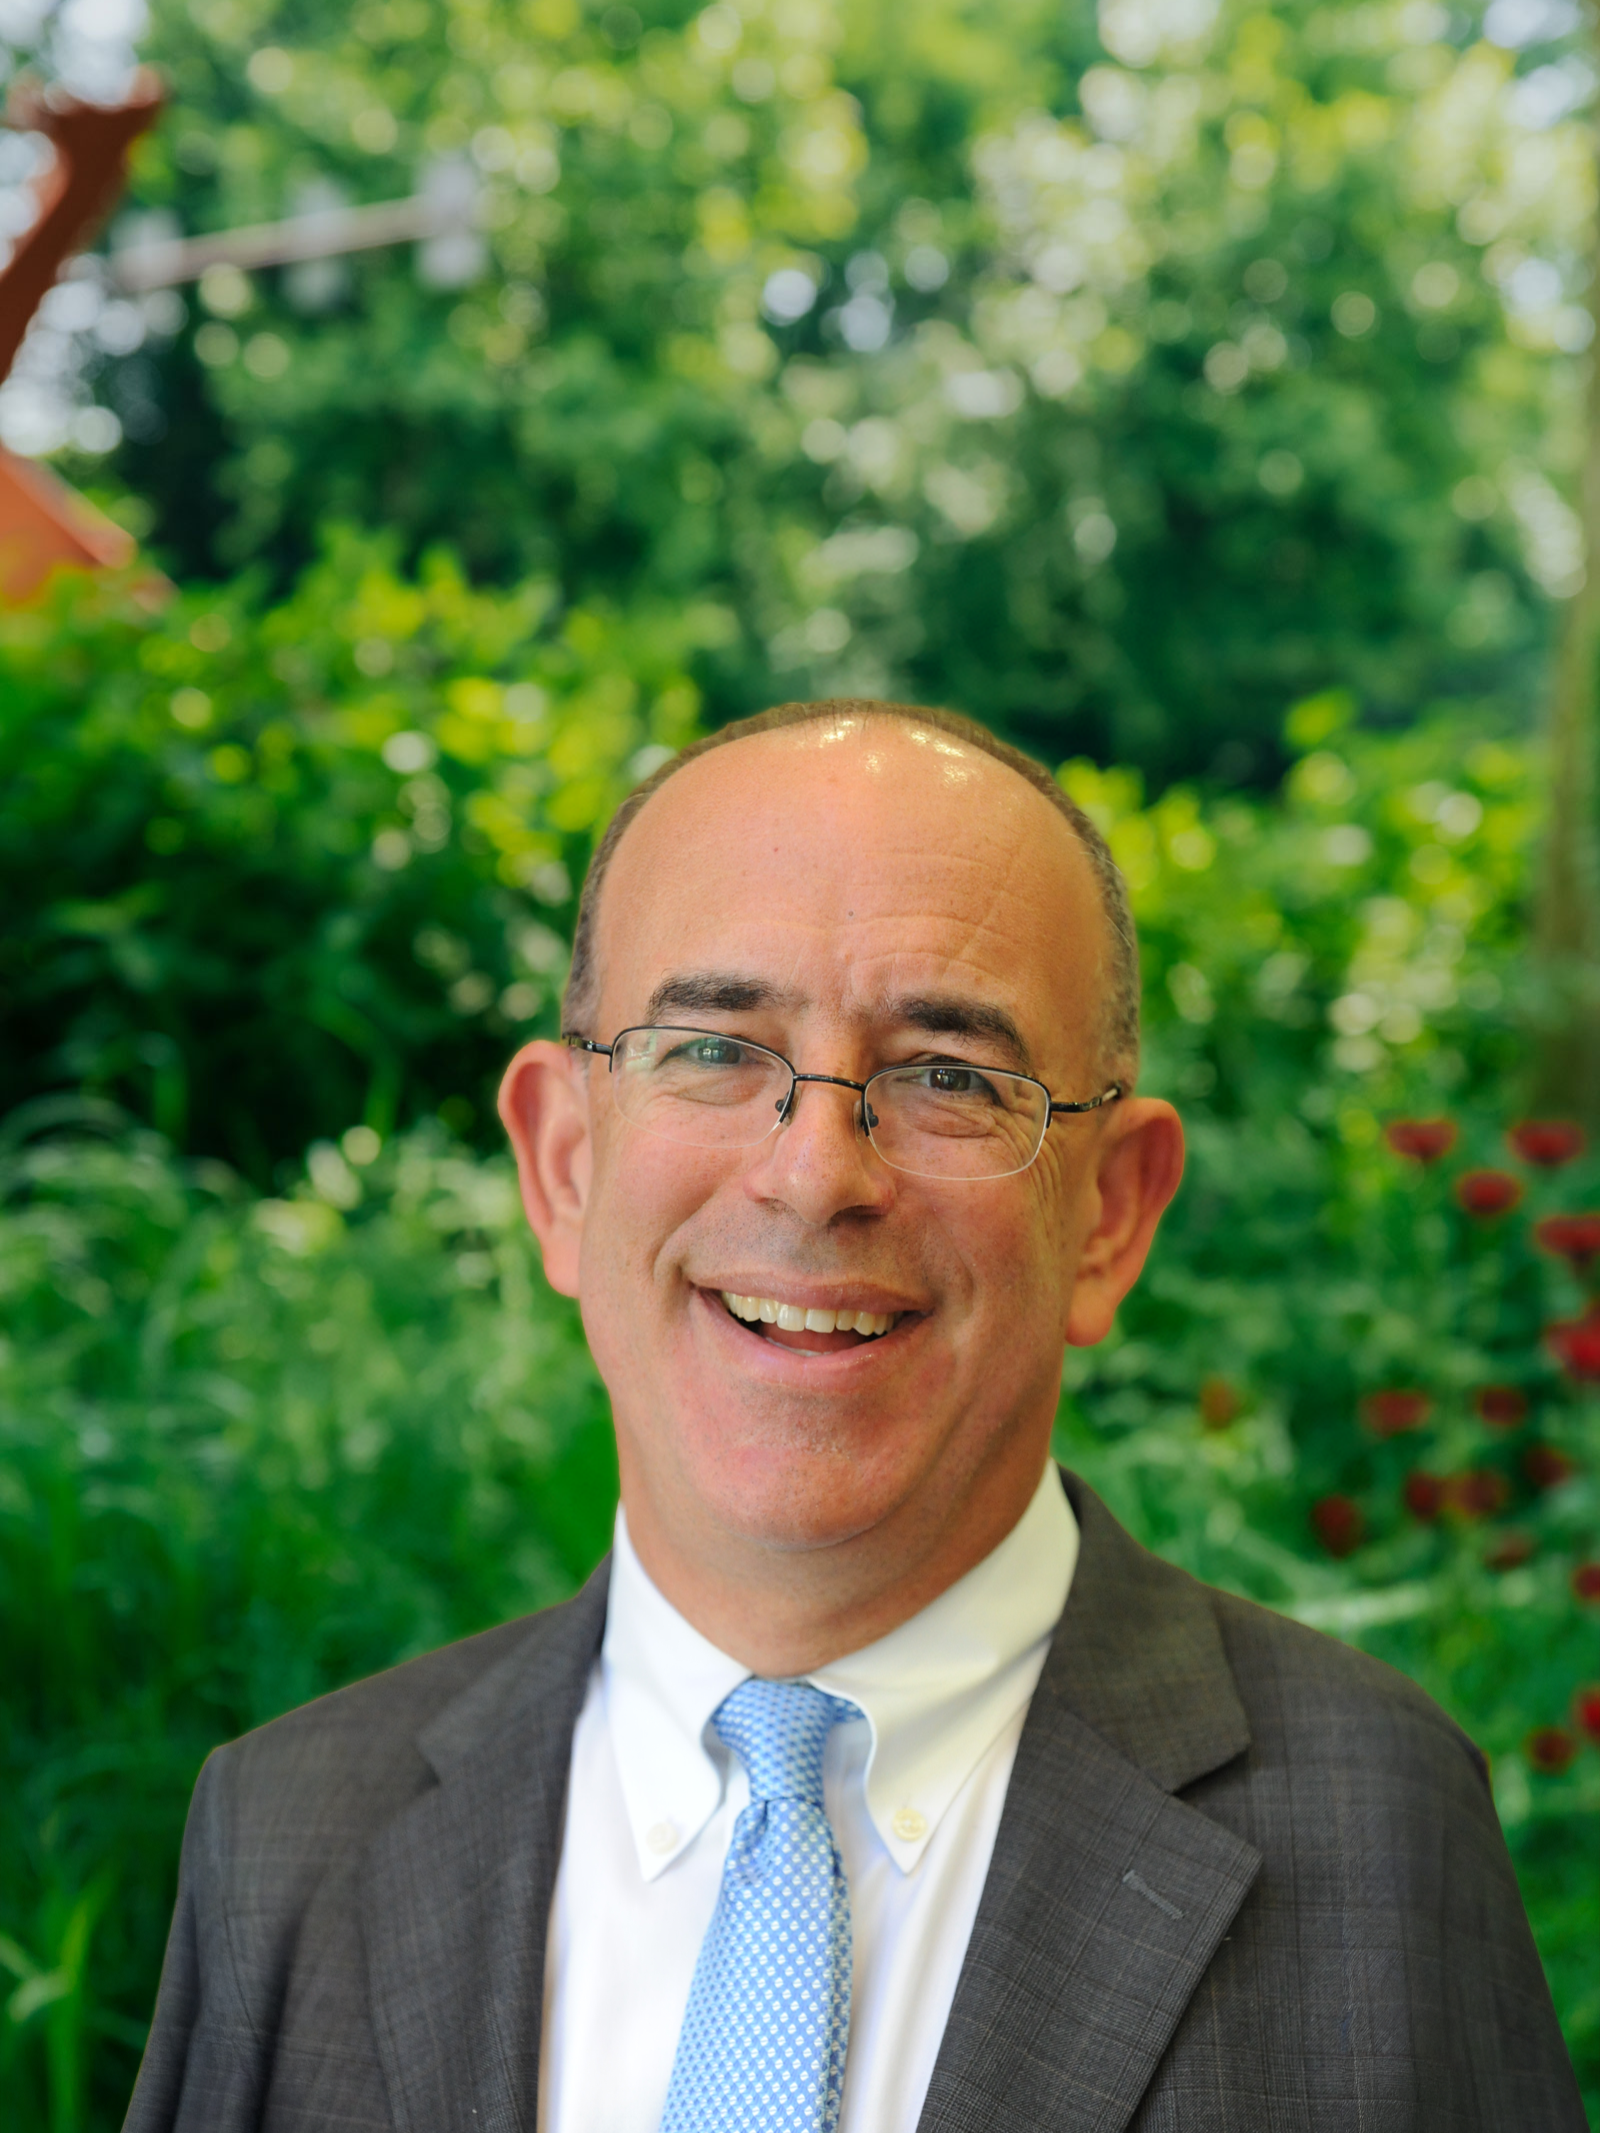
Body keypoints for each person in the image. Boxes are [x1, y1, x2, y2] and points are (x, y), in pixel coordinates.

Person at [124, 699, 1584, 2133]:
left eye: (950, 1076)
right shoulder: (287, 1836)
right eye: (711, 1050)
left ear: (1111, 1216)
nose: (816, 1173)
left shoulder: (1380, 1827)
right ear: (563, 1166)